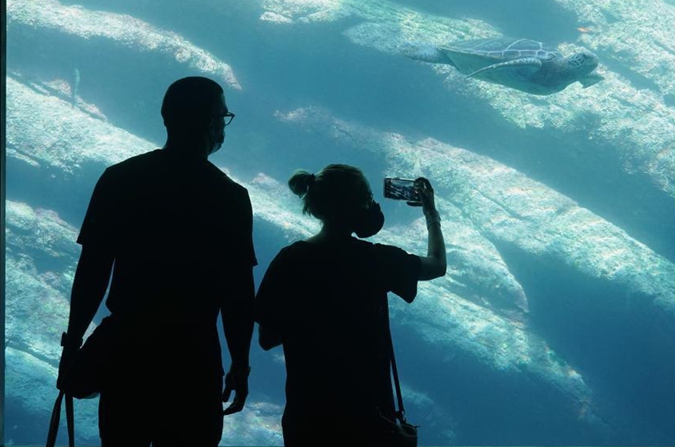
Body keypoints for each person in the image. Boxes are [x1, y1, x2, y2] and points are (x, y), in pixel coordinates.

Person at [56, 76, 257, 446]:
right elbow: (237, 294)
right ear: (211, 123)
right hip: (193, 357)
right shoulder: (229, 197)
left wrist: (72, 344)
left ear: (167, 118)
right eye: (222, 116)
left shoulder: (120, 179)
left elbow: (93, 271)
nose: (222, 124)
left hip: (128, 353)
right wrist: (239, 364)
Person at [255, 164, 446, 446]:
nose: (373, 204)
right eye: (368, 198)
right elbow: (437, 265)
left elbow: (267, 339)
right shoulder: (375, 260)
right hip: (366, 419)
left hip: (307, 416)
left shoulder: (289, 259)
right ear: (352, 206)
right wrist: (431, 214)